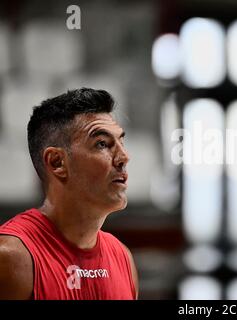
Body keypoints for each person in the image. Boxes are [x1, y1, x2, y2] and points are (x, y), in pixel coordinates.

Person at [0, 88, 138, 300]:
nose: (124, 157)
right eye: (102, 144)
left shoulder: (122, 257)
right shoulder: (12, 257)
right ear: (57, 163)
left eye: (121, 142)